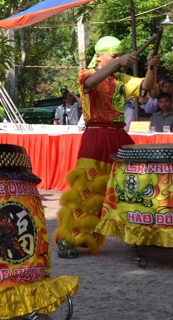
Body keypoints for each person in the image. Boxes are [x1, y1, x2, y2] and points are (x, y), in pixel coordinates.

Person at [55, 36, 158, 258]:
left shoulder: (121, 78)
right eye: (114, 56)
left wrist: (151, 67)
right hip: (96, 135)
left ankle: (140, 234)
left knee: (133, 186)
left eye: (120, 56)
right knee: (87, 190)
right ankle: (68, 238)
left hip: (119, 135)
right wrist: (117, 64)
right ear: (99, 56)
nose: (119, 59)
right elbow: (91, 84)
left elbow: (147, 87)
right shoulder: (86, 74)